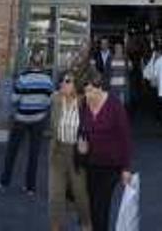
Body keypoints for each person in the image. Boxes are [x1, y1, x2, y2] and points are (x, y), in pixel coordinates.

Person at [80, 71, 133, 231]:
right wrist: (80, 144)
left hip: (110, 165)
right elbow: (81, 130)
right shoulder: (84, 105)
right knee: (90, 205)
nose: (87, 95)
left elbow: (125, 138)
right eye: (85, 91)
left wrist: (126, 168)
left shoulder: (114, 105)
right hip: (89, 164)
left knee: (101, 206)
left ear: (100, 88)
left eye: (90, 91)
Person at [0, 52, 55, 195]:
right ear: (42, 64)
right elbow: (49, 100)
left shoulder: (23, 79)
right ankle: (30, 187)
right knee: (34, 154)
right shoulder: (48, 80)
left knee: (12, 152)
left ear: (30, 62)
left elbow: (14, 99)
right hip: (38, 119)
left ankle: (4, 182)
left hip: (21, 118)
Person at [48, 74, 92, 231]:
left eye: (67, 81)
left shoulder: (85, 103)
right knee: (55, 196)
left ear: (76, 85)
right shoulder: (55, 99)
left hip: (77, 155)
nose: (63, 84)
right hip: (58, 153)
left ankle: (86, 224)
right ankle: (56, 227)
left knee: (81, 196)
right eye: (61, 81)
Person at [108, 43, 129, 107]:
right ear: (114, 49)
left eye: (120, 48)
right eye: (117, 48)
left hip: (122, 86)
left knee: (121, 104)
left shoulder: (125, 58)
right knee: (113, 104)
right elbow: (107, 71)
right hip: (113, 85)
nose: (118, 49)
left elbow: (129, 69)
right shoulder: (110, 58)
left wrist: (130, 65)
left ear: (122, 49)